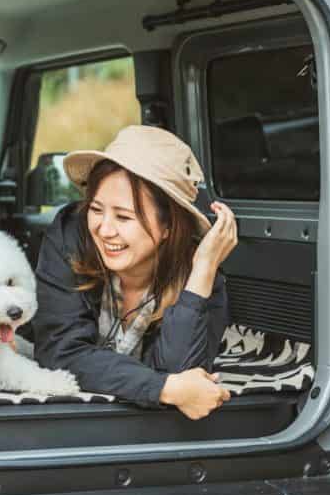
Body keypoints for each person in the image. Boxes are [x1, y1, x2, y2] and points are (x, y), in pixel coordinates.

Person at [34, 125, 237, 419]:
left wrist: (203, 270)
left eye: (124, 217)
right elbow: (60, 352)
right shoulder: (70, 236)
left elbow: (184, 375)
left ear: (168, 227)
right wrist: (163, 388)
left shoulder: (202, 276)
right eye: (96, 209)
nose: (104, 229)